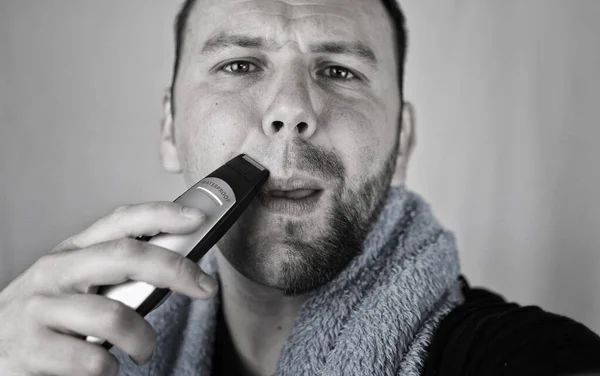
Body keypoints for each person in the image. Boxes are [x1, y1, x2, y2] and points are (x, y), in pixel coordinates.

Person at [1, 0, 599, 375]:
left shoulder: (523, 355)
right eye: (240, 64)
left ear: (402, 141)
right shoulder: (68, 354)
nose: (290, 110)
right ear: (169, 126)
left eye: (339, 70)